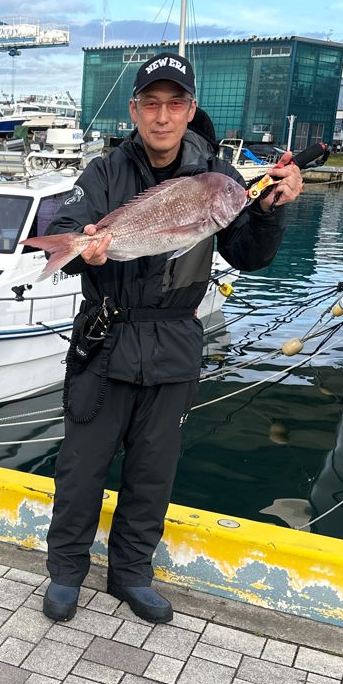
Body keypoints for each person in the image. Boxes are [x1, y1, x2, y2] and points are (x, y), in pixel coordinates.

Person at [42, 52, 303, 624]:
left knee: (153, 471)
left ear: (190, 110)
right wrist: (82, 244)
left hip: (175, 343)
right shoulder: (104, 172)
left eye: (175, 103)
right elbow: (64, 230)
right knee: (81, 466)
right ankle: (66, 572)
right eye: (151, 104)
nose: (162, 116)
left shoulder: (217, 178)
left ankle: (131, 574)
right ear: (135, 110)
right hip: (105, 339)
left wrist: (274, 213)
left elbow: (249, 254)